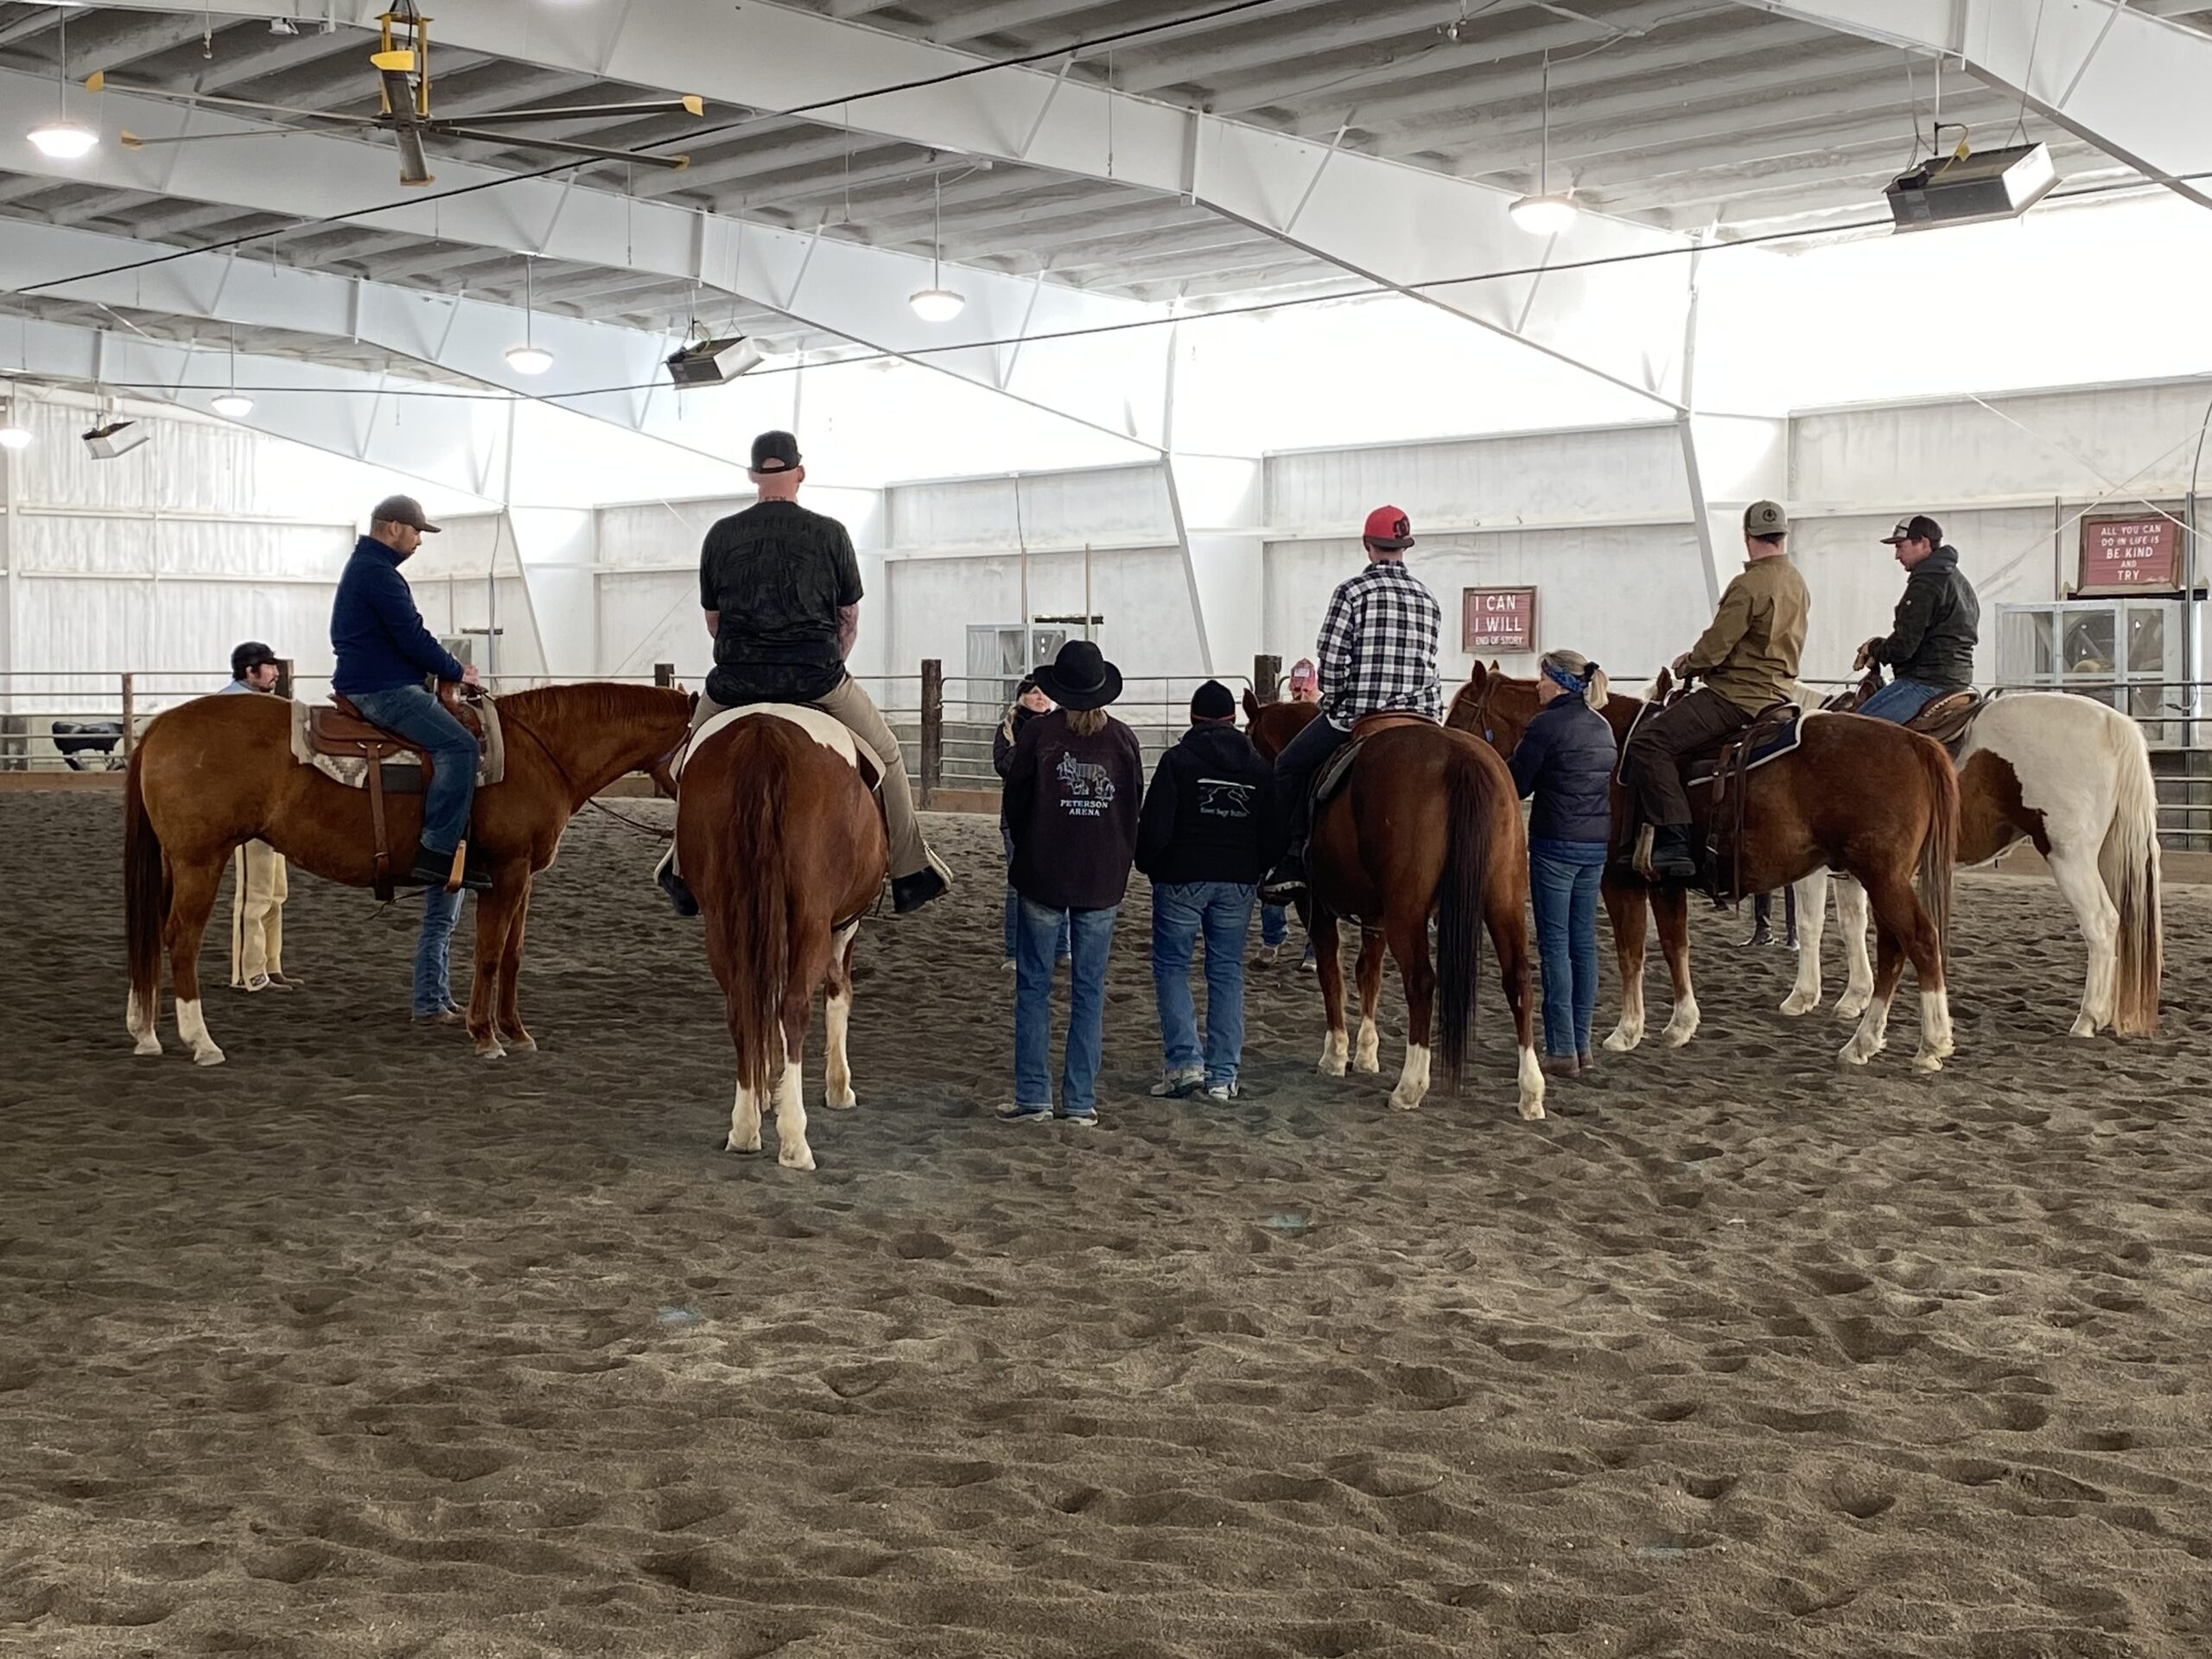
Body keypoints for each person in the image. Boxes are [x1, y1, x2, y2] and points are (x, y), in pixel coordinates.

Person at [660, 430, 950, 917]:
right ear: (800, 472)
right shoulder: (831, 532)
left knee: (685, 762)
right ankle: (908, 871)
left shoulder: (720, 536)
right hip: (815, 679)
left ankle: (683, 869)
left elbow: (714, 622)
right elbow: (848, 617)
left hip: (736, 683)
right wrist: (830, 659)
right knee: (887, 753)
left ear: (753, 476)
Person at [1261, 506, 1443, 901]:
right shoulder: (1428, 598)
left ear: (1368, 546)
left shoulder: (1352, 592)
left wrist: (1336, 695)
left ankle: (1291, 858)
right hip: (1422, 717)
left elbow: (1333, 655)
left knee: (1288, 766)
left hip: (1360, 714)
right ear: (1404, 547)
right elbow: (1428, 660)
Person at [1623, 499, 1808, 882]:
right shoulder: (1796, 582)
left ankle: (1674, 841)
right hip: (1780, 695)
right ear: (1782, 535)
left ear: (1747, 537)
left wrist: (1688, 663)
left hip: (1736, 697)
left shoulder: (1748, 584)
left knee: (1649, 742)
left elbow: (1715, 647)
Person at [998, 640, 1144, 1128]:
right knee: (1089, 988)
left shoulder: (1039, 737)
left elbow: (1015, 807)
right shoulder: (1123, 741)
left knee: (1034, 985)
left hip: (1043, 871)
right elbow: (1131, 810)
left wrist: (1029, 846)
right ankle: (1080, 1100)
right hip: (1101, 877)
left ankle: (1033, 1095)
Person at [330, 494, 487, 892]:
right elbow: (412, 636)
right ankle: (436, 852)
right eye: (417, 531)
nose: (419, 541)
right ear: (394, 528)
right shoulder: (378, 574)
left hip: (369, 680)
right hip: (382, 688)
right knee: (460, 747)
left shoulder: (366, 567)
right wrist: (458, 671)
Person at [1136, 679, 1275, 1102]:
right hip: (1236, 882)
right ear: (1234, 720)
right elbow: (1274, 829)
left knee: (1172, 967)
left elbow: (1155, 825)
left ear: (1193, 718)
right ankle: (1222, 1074)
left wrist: (1152, 866)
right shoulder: (1257, 768)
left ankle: (1185, 1064)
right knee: (1226, 972)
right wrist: (1254, 868)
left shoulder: (1177, 761)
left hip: (1181, 879)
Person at [1507, 650, 1618, 1077]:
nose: (1538, 685)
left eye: (1543, 678)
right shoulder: (1602, 727)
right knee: (1582, 943)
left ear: (1558, 683)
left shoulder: (1547, 725)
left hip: (1555, 844)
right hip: (1594, 847)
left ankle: (1560, 1049)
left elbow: (1516, 784)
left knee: (1554, 945)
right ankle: (1583, 1045)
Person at [220, 642, 298, 993]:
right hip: (247, 808)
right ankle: (247, 972)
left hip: (272, 808)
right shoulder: (229, 707)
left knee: (275, 891)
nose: (276, 671)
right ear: (250, 671)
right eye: (268, 666)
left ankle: (271, 964)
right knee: (255, 892)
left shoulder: (262, 704)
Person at [1853, 513, 1980, 722]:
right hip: (1958, 678)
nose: (1896, 555)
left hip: (1927, 681)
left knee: (1855, 731)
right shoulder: (1957, 580)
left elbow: (1904, 646)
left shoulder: (1926, 583)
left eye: (1900, 546)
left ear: (1922, 543)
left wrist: (1876, 649)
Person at [993, 676, 1067, 971]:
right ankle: (1013, 951)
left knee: (1060, 880)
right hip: (1017, 816)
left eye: (1044, 693)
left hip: (1053, 815)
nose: (1040, 697)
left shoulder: (1060, 728)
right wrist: (1029, 743)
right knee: (1017, 886)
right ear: (1021, 696)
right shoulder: (1009, 729)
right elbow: (1002, 765)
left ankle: (1062, 947)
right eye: (1034, 692)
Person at [1257, 660, 1321, 969]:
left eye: (1303, 689)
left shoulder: (1321, 716)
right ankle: (1274, 938)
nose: (1297, 695)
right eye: (1295, 689)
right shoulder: (1286, 719)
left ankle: (1305, 944)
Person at [413, 887, 467, 1026]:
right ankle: (429, 1005)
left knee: (444, 927)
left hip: (451, 867)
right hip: (445, 868)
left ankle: (441, 998)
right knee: (439, 926)